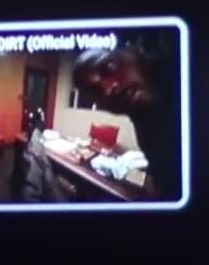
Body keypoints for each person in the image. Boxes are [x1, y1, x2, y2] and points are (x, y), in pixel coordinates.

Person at [72, 43, 180, 200]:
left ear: (133, 51)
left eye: (108, 69)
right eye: (96, 91)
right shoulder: (143, 119)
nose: (108, 90)